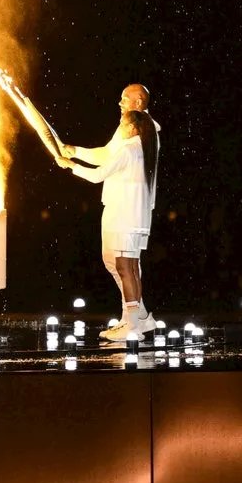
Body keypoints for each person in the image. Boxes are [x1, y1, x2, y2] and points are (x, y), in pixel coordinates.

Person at [61, 84, 161, 337]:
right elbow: (108, 155)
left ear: (138, 103)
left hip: (125, 210)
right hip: (127, 209)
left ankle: (133, 324)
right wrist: (78, 152)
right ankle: (136, 317)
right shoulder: (137, 137)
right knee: (119, 262)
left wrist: (71, 165)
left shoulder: (140, 138)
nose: (119, 102)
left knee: (125, 265)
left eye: (124, 98)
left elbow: (104, 168)